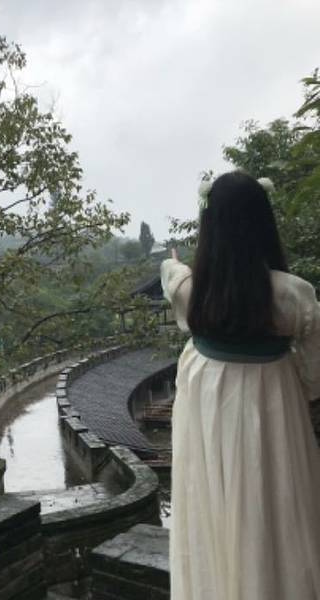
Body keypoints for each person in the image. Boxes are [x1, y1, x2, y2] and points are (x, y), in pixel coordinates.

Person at [161, 170, 320, 600]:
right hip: (273, 399)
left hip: (205, 398)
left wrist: (175, 263)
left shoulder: (190, 290)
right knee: (276, 500)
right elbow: (315, 373)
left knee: (209, 500)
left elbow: (172, 275)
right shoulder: (295, 295)